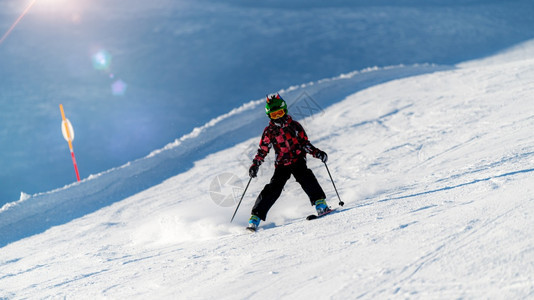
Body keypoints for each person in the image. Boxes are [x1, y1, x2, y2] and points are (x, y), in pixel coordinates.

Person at [247, 93, 329, 231]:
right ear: (269, 116)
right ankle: (255, 217)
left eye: (279, 113)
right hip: (281, 165)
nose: (278, 117)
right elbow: (263, 150)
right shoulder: (269, 132)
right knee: (274, 188)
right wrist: (255, 164)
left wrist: (317, 153)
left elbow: (304, 143)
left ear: (284, 110)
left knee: (306, 177)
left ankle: (320, 203)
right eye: (274, 115)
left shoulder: (295, 126)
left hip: (297, 160)